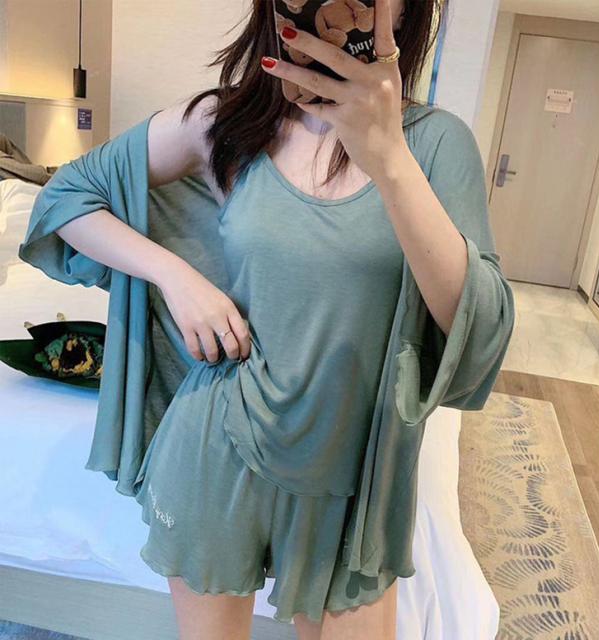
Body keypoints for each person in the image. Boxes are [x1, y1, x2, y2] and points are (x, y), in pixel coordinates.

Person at [38, 0, 513, 638]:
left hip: (354, 484)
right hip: (215, 445)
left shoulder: (435, 142)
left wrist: (389, 158)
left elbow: (478, 338)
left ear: (404, 12)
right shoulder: (228, 125)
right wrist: (176, 278)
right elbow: (67, 198)